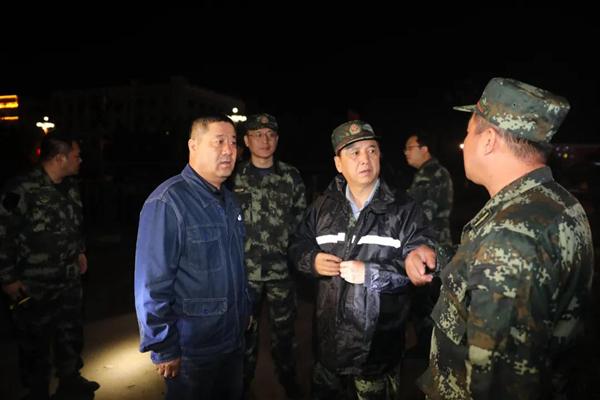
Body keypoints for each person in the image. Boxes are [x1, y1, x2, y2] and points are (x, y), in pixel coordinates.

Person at [406, 78, 594, 399]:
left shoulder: (509, 234)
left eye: (469, 132)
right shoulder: (553, 202)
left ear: (489, 140)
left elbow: (501, 384)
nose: (465, 142)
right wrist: (441, 258)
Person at [289, 120, 434, 399]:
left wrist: (370, 273)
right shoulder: (321, 208)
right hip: (328, 349)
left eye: (371, 150)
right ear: (338, 164)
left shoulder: (404, 209)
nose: (365, 159)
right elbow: (297, 244)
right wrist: (311, 260)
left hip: (376, 352)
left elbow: (421, 269)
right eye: (354, 152)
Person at [134, 115, 252, 400]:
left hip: (232, 342)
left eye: (233, 142)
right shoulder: (168, 201)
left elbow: (235, 266)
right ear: (193, 146)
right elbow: (151, 284)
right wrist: (164, 348)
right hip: (193, 350)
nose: (229, 150)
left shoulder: (228, 200)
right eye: (219, 142)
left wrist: (244, 309)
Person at [0, 131, 99, 400]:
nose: (80, 159)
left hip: (68, 279)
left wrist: (80, 250)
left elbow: (75, 223)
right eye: (76, 155)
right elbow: (4, 235)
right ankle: (36, 390)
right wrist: (7, 279)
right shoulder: (21, 188)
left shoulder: (70, 186)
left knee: (70, 332)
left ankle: (70, 379)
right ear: (60, 158)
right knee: (34, 340)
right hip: (33, 282)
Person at [230, 113, 305, 398]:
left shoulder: (291, 176)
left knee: (284, 333)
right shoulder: (233, 176)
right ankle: (242, 384)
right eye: (258, 135)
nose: (265, 140)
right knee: (243, 333)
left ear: (277, 140)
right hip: (244, 273)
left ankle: (288, 378)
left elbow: (301, 221)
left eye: (270, 135)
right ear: (247, 141)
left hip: (282, 272)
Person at [404, 131, 453, 245]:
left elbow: (422, 213)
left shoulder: (428, 173)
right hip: (440, 238)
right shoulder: (437, 171)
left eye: (409, 148)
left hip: (430, 241)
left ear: (424, 149)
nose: (406, 152)